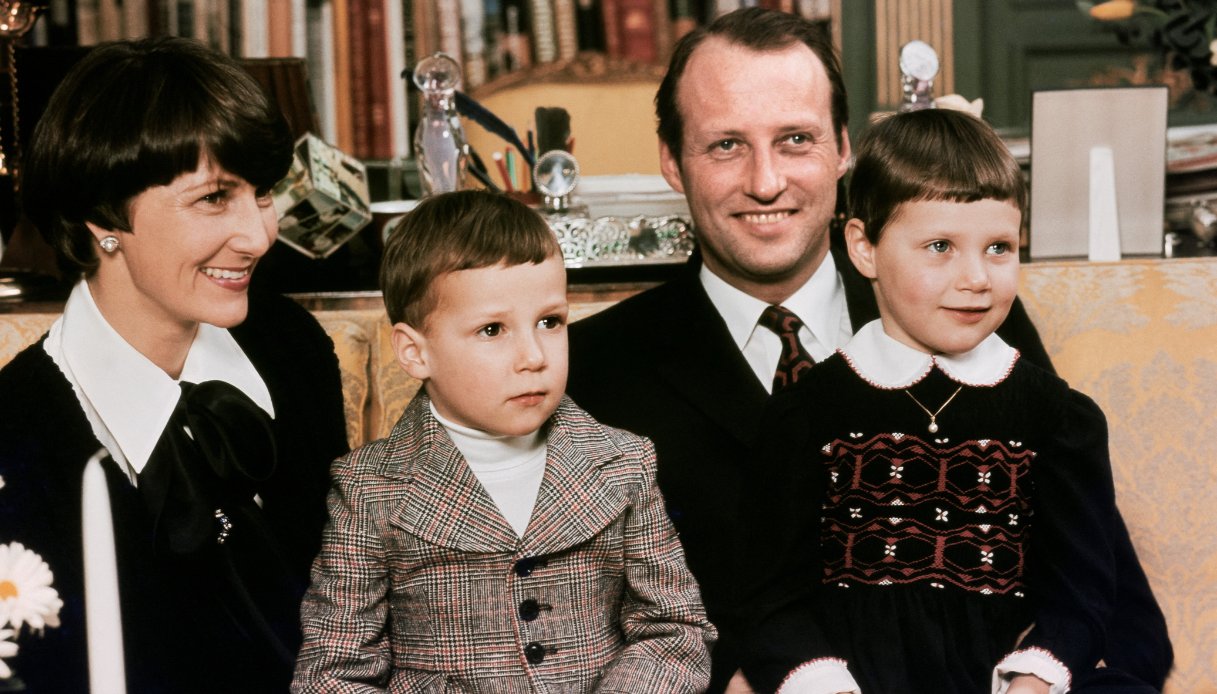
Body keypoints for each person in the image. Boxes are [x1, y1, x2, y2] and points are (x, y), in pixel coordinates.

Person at [566, 7, 1170, 693]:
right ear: (672, 162)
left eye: (796, 139)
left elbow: (1111, 601)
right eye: (726, 145)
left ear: (843, 147)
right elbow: (563, 629)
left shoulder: (964, 308)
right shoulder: (590, 368)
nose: (765, 181)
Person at [744, 107, 1133, 694]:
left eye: (999, 247)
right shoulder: (808, 415)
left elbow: (1081, 597)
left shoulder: (1056, 418)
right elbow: (772, 600)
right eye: (940, 246)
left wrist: (1035, 679)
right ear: (864, 247)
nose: (976, 277)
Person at [0, 38, 349, 692]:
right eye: (214, 198)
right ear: (102, 217)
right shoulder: (16, 435)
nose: (258, 235)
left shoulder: (290, 349)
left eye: (263, 193)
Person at [292, 190, 715, 692]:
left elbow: (675, 629)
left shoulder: (622, 463)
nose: (534, 356)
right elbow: (331, 674)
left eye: (550, 322)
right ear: (413, 352)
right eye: (492, 329)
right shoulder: (370, 489)